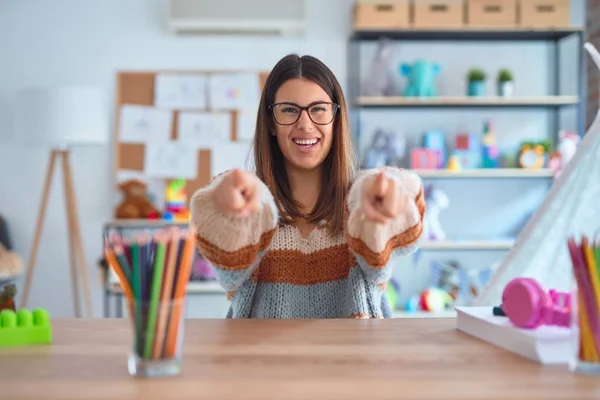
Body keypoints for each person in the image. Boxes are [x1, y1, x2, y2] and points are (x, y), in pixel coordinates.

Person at [190, 54, 425, 319]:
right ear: (270, 123)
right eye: (290, 110)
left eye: (319, 109)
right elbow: (227, 262)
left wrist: (387, 194)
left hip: (358, 359)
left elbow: (406, 224)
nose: (305, 123)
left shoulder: (362, 203)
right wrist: (225, 206)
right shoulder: (252, 212)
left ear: (337, 118)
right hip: (263, 361)